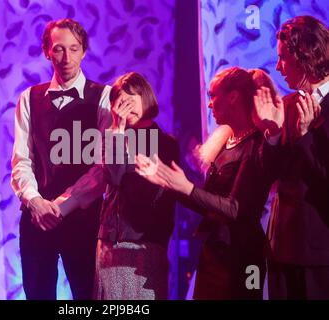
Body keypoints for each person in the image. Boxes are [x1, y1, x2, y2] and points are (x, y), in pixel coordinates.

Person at [136, 67, 276, 299]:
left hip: (244, 257)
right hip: (214, 253)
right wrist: (171, 184)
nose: (209, 104)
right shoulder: (226, 144)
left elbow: (234, 209)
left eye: (213, 95)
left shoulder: (255, 145)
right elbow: (208, 204)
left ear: (233, 97)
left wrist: (186, 187)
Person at [11, 18, 111, 300]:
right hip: (36, 219)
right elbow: (21, 160)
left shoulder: (103, 97)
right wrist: (35, 202)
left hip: (84, 218)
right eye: (58, 49)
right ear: (46, 51)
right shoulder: (29, 97)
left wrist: (62, 205)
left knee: (86, 297)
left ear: (84, 51)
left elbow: (103, 166)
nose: (66, 57)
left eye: (74, 48)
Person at [254, 15, 329, 300]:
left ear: (305, 55)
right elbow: (265, 176)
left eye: (283, 57)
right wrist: (271, 133)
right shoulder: (286, 104)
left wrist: (304, 137)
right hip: (281, 248)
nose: (276, 67)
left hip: (320, 253)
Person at [94, 72, 179, 300]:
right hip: (110, 243)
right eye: (119, 102)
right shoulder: (113, 136)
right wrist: (117, 131)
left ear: (145, 97)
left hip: (143, 244)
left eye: (131, 100)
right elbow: (113, 176)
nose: (125, 108)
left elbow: (137, 190)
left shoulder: (164, 143)